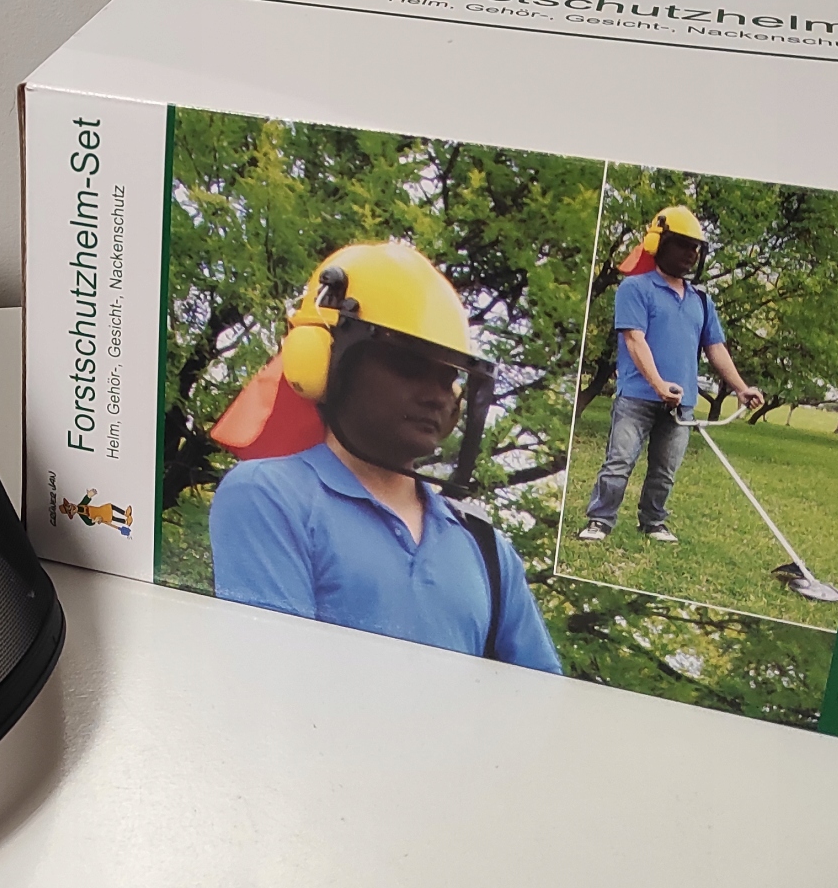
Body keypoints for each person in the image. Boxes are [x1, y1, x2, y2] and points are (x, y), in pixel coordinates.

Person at [207, 241, 562, 672]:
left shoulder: (486, 547)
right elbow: (274, 689)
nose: (437, 395)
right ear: (324, 363)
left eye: (448, 376)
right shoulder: (269, 497)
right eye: (409, 366)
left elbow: (544, 700)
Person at [577, 206, 764, 544]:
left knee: (665, 471)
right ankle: (600, 521)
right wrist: (658, 384)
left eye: (696, 248)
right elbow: (634, 340)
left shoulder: (701, 301)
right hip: (636, 398)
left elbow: (716, 348)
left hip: (681, 404)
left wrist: (740, 388)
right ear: (658, 244)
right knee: (619, 462)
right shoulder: (635, 288)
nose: (691, 254)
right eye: (682, 244)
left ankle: (653, 522)